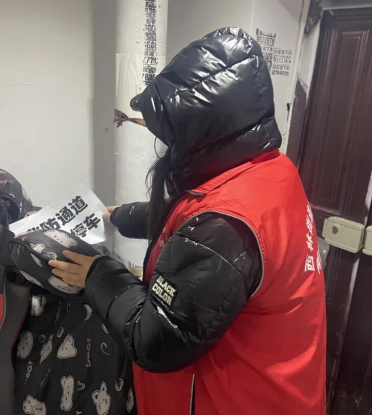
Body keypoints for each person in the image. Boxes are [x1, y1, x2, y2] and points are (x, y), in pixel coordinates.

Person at [50, 27, 326, 415]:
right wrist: (122, 216)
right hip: (280, 387)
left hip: (236, 402)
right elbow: (194, 216)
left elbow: (156, 339)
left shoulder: (225, 227)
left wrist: (98, 274)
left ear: (203, 135)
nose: (167, 147)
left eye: (172, 136)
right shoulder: (269, 172)